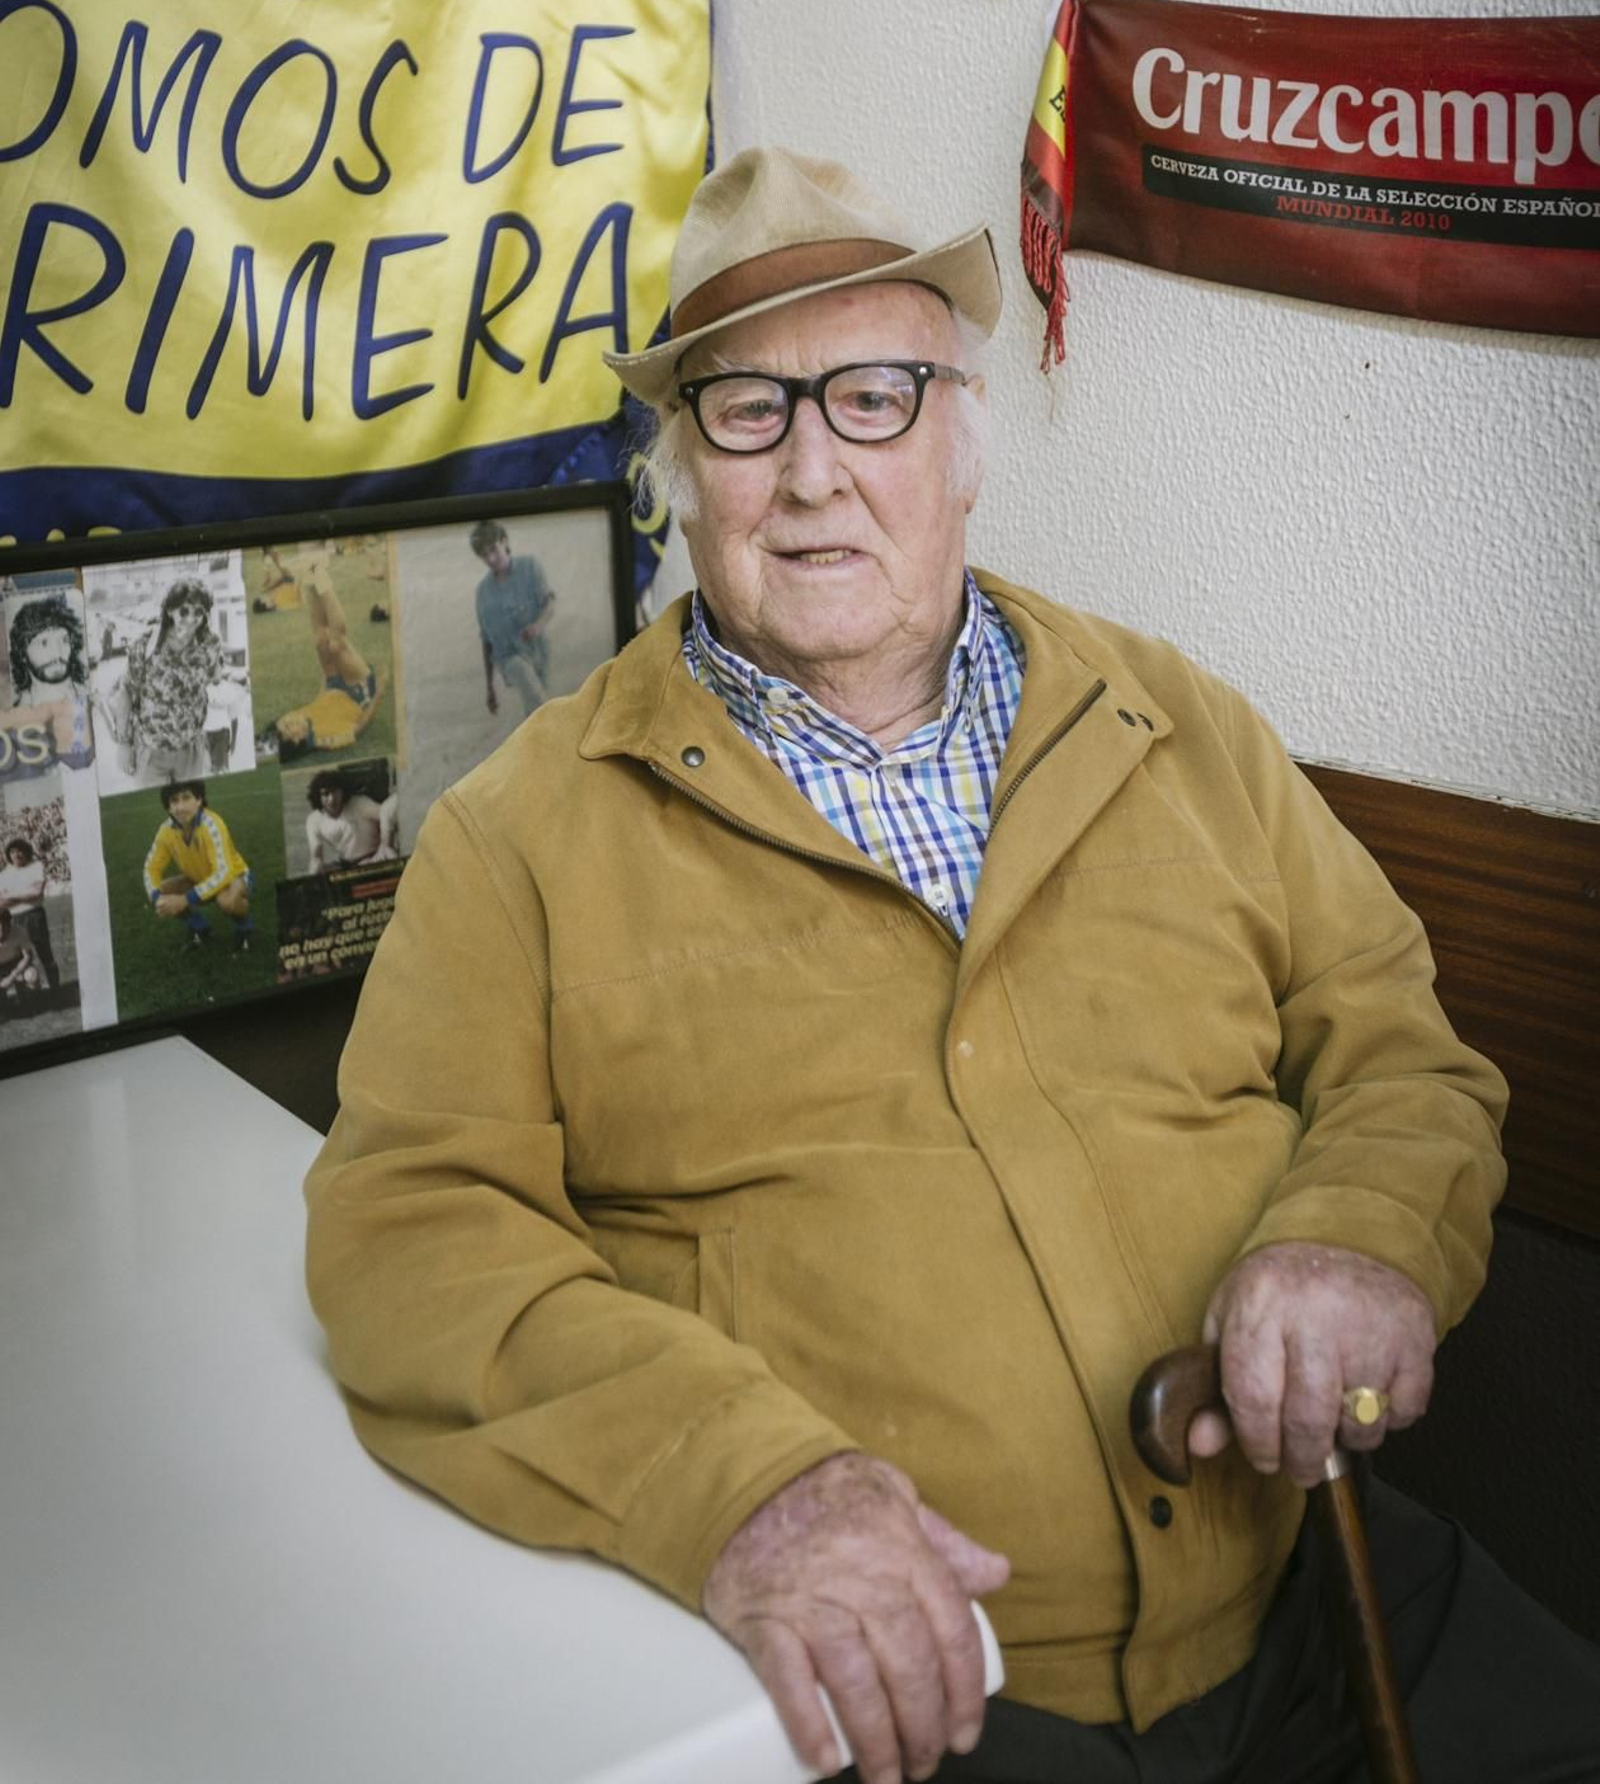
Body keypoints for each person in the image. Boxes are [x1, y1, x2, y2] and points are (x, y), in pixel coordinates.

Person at [305, 149, 1600, 1784]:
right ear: (682, 477)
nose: (814, 474)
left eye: (875, 398)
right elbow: (407, 1231)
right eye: (748, 413)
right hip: (920, 1691)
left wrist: (1361, 1242)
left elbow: (1402, 1058)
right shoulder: (521, 836)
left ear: (967, 442)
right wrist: (742, 1486)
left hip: (1317, 1575)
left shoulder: (1175, 719)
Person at [266, 555, 385, 759]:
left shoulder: (297, 722)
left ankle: (310, 576)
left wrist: (328, 676)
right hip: (360, 692)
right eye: (288, 726)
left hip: (333, 686)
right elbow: (359, 727)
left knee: (321, 641)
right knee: (336, 644)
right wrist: (379, 692)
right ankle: (320, 573)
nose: (290, 719)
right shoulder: (324, 740)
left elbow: (318, 704)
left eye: (285, 720)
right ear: (296, 740)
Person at [118, 578, 226, 784]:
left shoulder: (210, 644)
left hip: (191, 751)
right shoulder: (144, 645)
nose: (191, 619)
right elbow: (126, 691)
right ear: (169, 611)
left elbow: (215, 677)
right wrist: (124, 744)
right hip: (151, 753)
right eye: (184, 611)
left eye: (199, 612)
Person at [143, 779, 253, 955]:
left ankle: (245, 927)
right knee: (162, 892)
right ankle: (200, 927)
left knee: (228, 902)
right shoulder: (165, 830)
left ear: (199, 799)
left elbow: (223, 872)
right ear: (168, 807)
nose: (180, 807)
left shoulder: (212, 824)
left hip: (234, 877)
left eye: (186, 798)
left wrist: (185, 899)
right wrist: (157, 898)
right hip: (198, 879)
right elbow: (151, 867)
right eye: (174, 801)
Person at [471, 519, 555, 719]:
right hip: (509, 660)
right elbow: (486, 641)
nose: (491, 558)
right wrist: (490, 687)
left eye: (493, 549)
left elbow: (549, 603)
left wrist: (538, 625)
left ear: (505, 542)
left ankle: (538, 747)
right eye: (484, 555)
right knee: (538, 701)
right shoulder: (483, 592)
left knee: (533, 711)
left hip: (539, 653)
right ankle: (558, 732)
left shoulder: (530, 567)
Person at [6, 591, 94, 768]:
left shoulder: (88, 702)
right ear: (22, 652)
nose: (57, 653)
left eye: (64, 640)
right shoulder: (14, 719)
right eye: (44, 643)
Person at [0, 836, 60, 993]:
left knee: (45, 952)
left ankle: (56, 989)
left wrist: (12, 896)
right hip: (13, 920)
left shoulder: (36, 866)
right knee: (21, 956)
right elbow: (2, 902)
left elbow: (37, 892)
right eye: (12, 851)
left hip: (34, 916)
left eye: (20, 850)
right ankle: (27, 991)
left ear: (26, 851)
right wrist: (26, 894)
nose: (17, 854)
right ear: (8, 855)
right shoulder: (5, 874)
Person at [304, 770, 397, 872]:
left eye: (335, 792)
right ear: (318, 797)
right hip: (346, 867)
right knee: (316, 868)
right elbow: (316, 855)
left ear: (342, 791)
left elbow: (387, 812)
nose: (331, 799)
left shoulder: (359, 804)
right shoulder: (313, 820)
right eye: (326, 794)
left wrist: (386, 843)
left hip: (377, 858)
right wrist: (315, 870)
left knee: (390, 853)